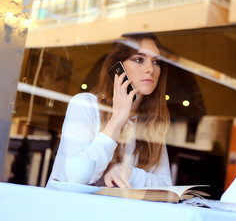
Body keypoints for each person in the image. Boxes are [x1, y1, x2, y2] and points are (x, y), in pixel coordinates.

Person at [47, 33, 172, 188]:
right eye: (139, 59)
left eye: (156, 62)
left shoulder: (153, 121)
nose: (150, 69)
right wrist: (117, 119)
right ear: (117, 67)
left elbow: (165, 185)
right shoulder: (85, 104)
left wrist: (127, 172)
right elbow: (77, 177)